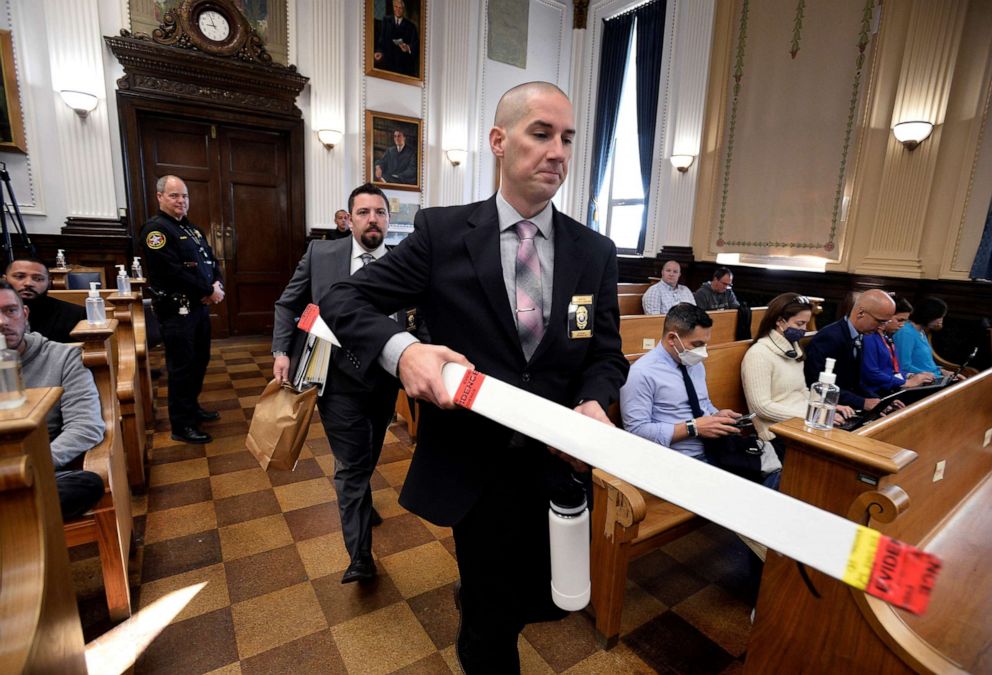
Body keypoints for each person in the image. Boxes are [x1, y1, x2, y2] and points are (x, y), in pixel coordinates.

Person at [325, 81, 628, 672]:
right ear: (498, 140)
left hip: (555, 467)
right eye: (541, 133)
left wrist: (595, 401)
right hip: (475, 467)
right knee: (490, 626)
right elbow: (341, 299)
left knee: (546, 600)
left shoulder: (595, 251)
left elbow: (606, 355)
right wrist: (402, 349)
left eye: (567, 138)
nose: (557, 151)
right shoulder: (442, 234)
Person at [272, 183, 400, 584]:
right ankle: (360, 556)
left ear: (388, 219)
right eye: (363, 212)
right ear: (350, 219)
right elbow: (288, 303)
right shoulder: (321, 254)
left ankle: (362, 496)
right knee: (350, 465)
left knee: (369, 451)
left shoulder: (403, 262)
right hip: (335, 376)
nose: (372, 219)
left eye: (379, 212)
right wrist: (281, 351)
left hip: (384, 379)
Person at [0, 282, 105, 520]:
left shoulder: (63, 357)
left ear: (24, 314)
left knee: (85, 484)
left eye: (10, 311)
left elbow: (85, 427)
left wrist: (28, 467)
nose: (2, 322)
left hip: (41, 468)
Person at [140, 175, 225, 444]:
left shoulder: (192, 230)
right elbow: (172, 271)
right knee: (181, 367)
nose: (181, 201)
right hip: (177, 311)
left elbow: (211, 261)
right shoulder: (156, 231)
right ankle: (181, 425)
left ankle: (191, 408)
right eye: (174, 195)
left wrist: (216, 283)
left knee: (200, 360)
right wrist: (207, 291)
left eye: (184, 196)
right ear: (160, 197)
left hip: (199, 308)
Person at [621, 303, 743, 461]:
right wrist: (693, 428)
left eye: (705, 344)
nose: (703, 352)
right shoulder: (641, 373)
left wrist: (716, 415)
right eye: (697, 345)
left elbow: (703, 403)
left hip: (714, 449)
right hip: (677, 459)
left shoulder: (694, 363)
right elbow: (636, 430)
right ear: (672, 338)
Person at [741, 293, 855, 442]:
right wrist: (812, 415)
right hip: (777, 432)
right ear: (780, 321)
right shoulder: (758, 354)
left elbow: (802, 391)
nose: (804, 330)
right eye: (800, 324)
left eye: (806, 324)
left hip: (803, 422)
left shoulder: (794, 350)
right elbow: (762, 408)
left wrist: (825, 407)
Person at [804, 288, 896, 411]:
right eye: (879, 321)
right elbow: (816, 383)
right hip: (828, 406)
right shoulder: (830, 337)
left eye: (885, 322)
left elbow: (854, 383)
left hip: (845, 402)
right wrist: (862, 402)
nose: (882, 327)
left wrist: (880, 401)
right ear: (861, 313)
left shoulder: (860, 334)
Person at [861, 295, 934, 396]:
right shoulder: (869, 337)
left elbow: (894, 370)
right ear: (886, 316)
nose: (902, 325)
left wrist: (911, 376)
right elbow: (872, 374)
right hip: (876, 393)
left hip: (890, 389)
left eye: (905, 321)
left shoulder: (886, 337)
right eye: (900, 320)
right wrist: (906, 382)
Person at [4, 257, 85, 343]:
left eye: (38, 279)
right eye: (20, 277)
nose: (28, 283)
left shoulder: (76, 315)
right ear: (5, 280)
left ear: (49, 283)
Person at [893, 296, 955, 380]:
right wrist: (936, 377)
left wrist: (942, 371)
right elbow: (904, 366)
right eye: (938, 317)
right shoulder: (905, 332)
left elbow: (925, 364)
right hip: (922, 380)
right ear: (928, 315)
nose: (940, 321)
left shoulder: (921, 330)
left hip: (934, 377)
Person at [374, 0, 419, 77]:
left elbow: (416, 46)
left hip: (403, 66)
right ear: (393, 7)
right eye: (396, 7)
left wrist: (408, 48)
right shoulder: (386, 20)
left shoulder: (411, 26)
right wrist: (379, 51)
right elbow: (382, 40)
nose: (398, 10)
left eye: (400, 8)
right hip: (387, 64)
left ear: (403, 9)